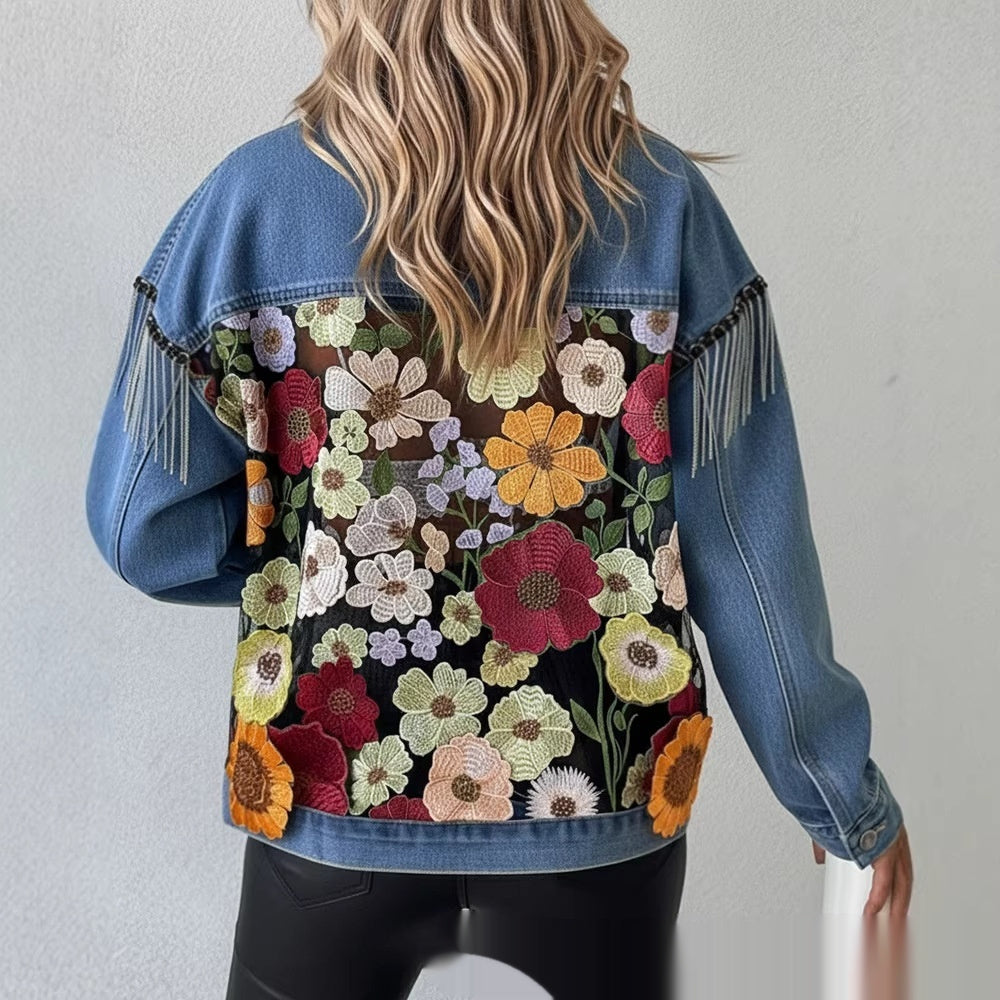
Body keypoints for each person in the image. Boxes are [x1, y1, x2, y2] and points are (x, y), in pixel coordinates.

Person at [84, 1, 912, 997]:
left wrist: (312, 555)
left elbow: (140, 528)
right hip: (599, 813)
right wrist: (839, 796)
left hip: (331, 801)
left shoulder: (249, 202)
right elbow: (743, 548)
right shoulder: (663, 204)